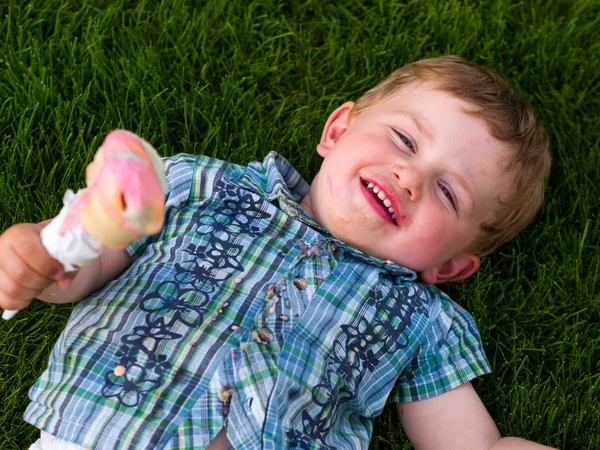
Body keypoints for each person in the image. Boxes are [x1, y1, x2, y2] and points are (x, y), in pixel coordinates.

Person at [0, 55, 554, 450]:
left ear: (450, 266)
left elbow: (472, 443)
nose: (410, 176)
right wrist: (43, 255)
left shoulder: (421, 321)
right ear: (338, 130)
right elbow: (92, 262)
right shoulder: (202, 186)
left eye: (448, 192)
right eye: (405, 140)